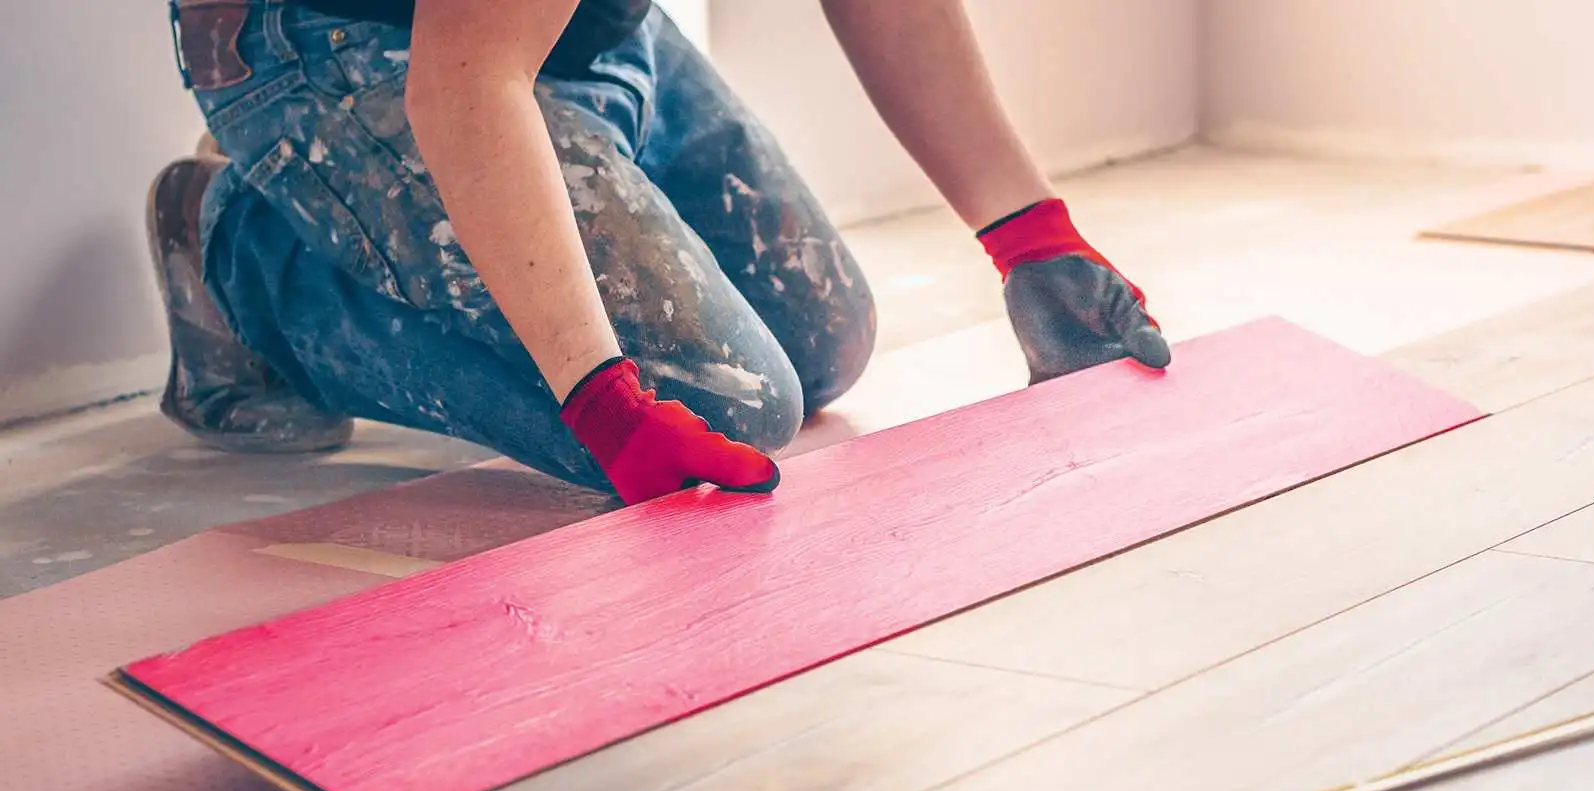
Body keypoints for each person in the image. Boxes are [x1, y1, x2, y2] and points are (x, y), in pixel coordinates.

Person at [154, 0, 1171, 505]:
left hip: (577, 32)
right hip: (342, 45)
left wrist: (1032, 238)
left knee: (825, 345)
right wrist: (601, 399)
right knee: (728, 408)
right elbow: (463, 86)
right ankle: (239, 256)